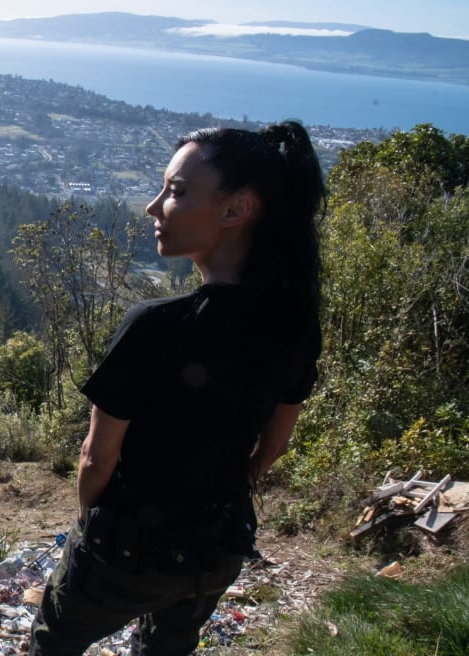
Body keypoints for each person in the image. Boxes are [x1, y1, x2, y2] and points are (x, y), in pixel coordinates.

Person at [27, 120, 326, 656]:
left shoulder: (159, 325)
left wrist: (91, 525)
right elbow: (275, 443)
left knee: (56, 642)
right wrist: (229, 485)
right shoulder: (297, 324)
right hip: (219, 546)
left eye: (177, 192)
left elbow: (97, 456)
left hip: (129, 545)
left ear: (236, 210)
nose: (154, 206)